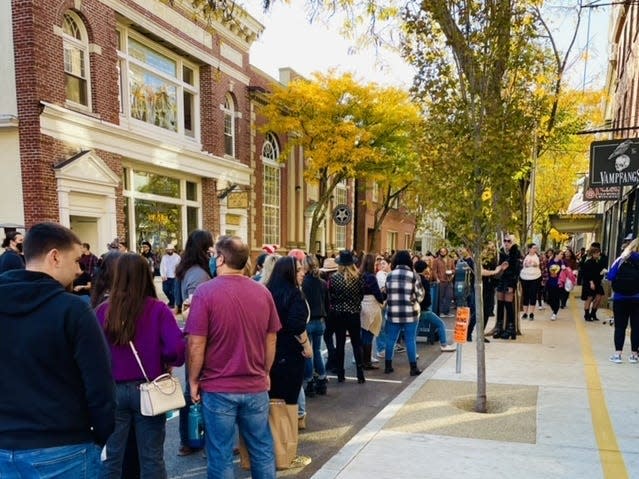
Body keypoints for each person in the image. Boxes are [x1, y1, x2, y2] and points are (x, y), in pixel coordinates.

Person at [0, 222, 115, 476]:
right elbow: (100, 384)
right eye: (76, 261)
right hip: (65, 446)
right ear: (54, 256)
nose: (78, 270)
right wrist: (98, 435)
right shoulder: (73, 309)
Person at [185, 236, 280, 479]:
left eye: (214, 255)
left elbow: (196, 344)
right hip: (255, 384)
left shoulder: (205, 293)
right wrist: (265, 371)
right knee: (261, 449)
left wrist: (194, 380)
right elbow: (271, 339)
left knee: (220, 454)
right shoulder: (262, 293)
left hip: (218, 387)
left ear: (221, 258)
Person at [96, 253, 185, 479]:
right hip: (148, 388)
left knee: (111, 455)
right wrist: (164, 359)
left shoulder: (103, 311)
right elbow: (176, 348)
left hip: (112, 388)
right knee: (152, 456)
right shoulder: (158, 309)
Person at [266, 256, 313, 467]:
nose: (303, 273)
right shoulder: (294, 295)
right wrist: (306, 344)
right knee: (288, 405)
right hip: (290, 355)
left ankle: (269, 453)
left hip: (269, 354)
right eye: (299, 270)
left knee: (271, 403)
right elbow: (295, 324)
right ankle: (286, 455)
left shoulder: (266, 292)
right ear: (289, 273)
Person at [175, 229, 214, 457]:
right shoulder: (199, 274)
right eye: (210, 247)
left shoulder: (186, 270)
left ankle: (189, 439)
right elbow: (193, 309)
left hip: (191, 336)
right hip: (199, 337)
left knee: (192, 390)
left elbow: (181, 306)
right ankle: (193, 439)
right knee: (195, 388)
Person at [384, 250, 426, 376]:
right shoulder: (414, 276)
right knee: (410, 340)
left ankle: (388, 366)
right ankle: (413, 368)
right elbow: (420, 296)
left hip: (393, 312)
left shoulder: (390, 275)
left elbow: (387, 292)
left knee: (390, 339)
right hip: (410, 313)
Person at [328, 250, 365, 383]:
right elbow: (361, 295)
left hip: (339, 314)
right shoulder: (358, 277)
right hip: (354, 313)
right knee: (356, 344)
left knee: (340, 344)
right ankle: (360, 374)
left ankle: (340, 373)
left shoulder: (333, 278)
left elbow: (331, 296)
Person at [607, 238, 639, 363]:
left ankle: (618, 355)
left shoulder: (620, 260)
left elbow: (610, 276)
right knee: (636, 327)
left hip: (620, 298)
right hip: (637, 298)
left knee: (620, 327)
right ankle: (634, 355)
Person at [301, 255, 329, 396]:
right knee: (317, 350)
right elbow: (326, 302)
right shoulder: (322, 283)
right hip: (320, 321)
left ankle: (309, 381)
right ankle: (322, 379)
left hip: (307, 321)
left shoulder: (302, 284)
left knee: (307, 353)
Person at [414, 260, 456, 352]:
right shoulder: (423, 280)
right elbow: (424, 296)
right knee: (440, 324)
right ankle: (444, 345)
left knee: (415, 331)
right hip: (424, 309)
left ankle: (413, 352)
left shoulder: (414, 279)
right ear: (424, 269)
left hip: (415, 309)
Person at [359, 253, 385, 369]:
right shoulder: (371, 277)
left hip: (362, 306)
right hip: (371, 307)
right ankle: (367, 362)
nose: (377, 265)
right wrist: (383, 294)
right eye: (375, 263)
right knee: (368, 335)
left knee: (363, 333)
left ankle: (361, 360)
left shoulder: (360, 275)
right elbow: (378, 295)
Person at [493, 236, 521, 339]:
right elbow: (499, 267)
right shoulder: (502, 252)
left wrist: (512, 285)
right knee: (500, 304)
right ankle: (499, 328)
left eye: (509, 241)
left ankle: (511, 329)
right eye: (505, 240)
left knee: (508, 305)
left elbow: (517, 271)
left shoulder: (516, 253)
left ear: (513, 242)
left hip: (510, 281)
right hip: (501, 280)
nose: (506, 243)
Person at [580, 244, 606, 321]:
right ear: (593, 254)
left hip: (597, 282)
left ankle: (593, 313)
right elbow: (586, 274)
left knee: (599, 297)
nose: (598, 254)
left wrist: (602, 273)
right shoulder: (588, 262)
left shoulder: (598, 262)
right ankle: (586, 315)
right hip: (589, 283)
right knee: (589, 298)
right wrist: (591, 282)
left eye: (599, 253)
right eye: (597, 253)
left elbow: (598, 272)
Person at [520, 243, 542, 321]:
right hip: (525, 278)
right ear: (529, 249)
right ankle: (525, 313)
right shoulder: (525, 256)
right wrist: (526, 264)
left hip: (535, 278)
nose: (535, 249)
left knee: (533, 295)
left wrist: (535, 264)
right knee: (526, 295)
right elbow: (523, 266)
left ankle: (531, 313)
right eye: (533, 248)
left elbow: (538, 265)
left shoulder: (537, 257)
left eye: (535, 248)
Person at [431, 247, 455, 317]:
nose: (443, 253)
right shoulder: (436, 260)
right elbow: (434, 271)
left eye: (444, 251)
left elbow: (454, 269)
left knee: (449, 296)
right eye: (441, 251)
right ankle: (440, 312)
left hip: (449, 280)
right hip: (441, 281)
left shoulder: (451, 260)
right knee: (440, 297)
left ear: (446, 252)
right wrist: (437, 279)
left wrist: (452, 272)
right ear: (439, 252)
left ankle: (446, 312)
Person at [160, 244, 180, 310]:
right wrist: (163, 275)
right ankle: (172, 301)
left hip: (174, 277)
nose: (170, 251)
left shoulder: (177, 257)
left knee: (174, 291)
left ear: (173, 250)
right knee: (165, 289)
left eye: (171, 249)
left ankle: (173, 303)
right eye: (169, 249)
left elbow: (179, 266)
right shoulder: (164, 257)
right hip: (166, 277)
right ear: (167, 250)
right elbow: (162, 267)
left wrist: (178, 273)